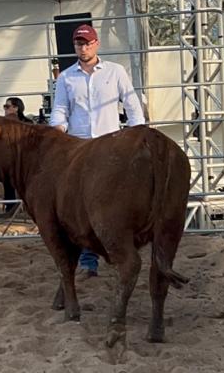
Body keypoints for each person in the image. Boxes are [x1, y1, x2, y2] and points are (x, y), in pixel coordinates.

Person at [49, 24, 145, 279]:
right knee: (81, 206)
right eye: (79, 44)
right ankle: (89, 259)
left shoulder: (115, 72)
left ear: (96, 44)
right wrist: (57, 128)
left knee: (113, 200)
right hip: (79, 146)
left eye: (87, 43)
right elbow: (60, 109)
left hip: (111, 144)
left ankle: (115, 249)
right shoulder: (66, 77)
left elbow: (132, 103)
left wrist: (139, 132)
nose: (83, 47)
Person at [0, 97, 31, 213]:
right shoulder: (3, 124)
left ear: (16, 108)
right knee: (7, 173)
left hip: (26, 160)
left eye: (7, 107)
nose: (5, 110)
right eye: (5, 107)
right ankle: (10, 206)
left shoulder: (27, 123)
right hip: (11, 159)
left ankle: (28, 205)